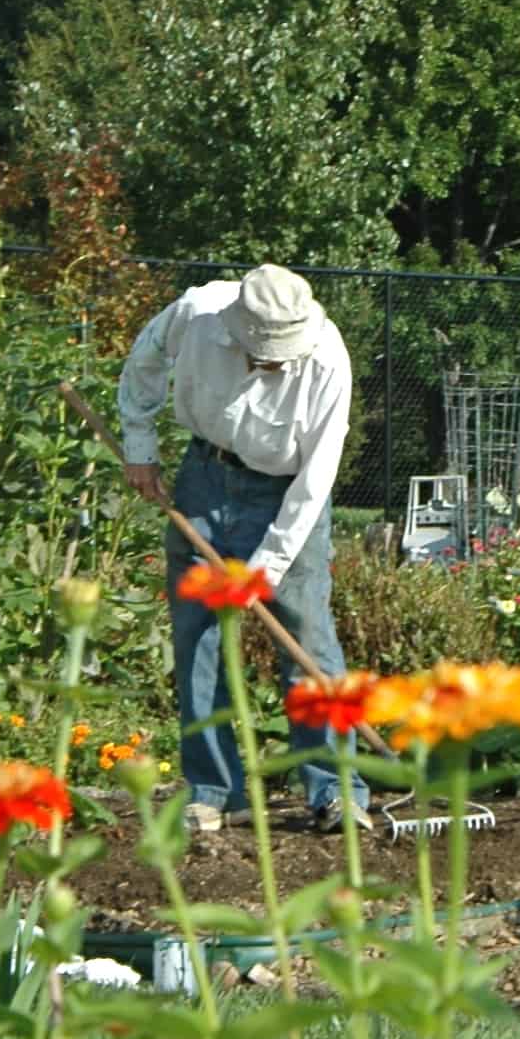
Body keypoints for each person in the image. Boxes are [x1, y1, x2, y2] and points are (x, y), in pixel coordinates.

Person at [118, 263, 368, 838]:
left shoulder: (327, 358)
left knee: (308, 640)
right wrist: (140, 446)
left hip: (285, 497)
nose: (275, 361)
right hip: (204, 477)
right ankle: (214, 791)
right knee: (197, 636)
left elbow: (316, 481)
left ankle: (335, 789)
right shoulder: (198, 314)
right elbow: (144, 362)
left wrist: (268, 566)